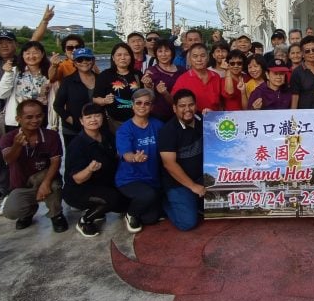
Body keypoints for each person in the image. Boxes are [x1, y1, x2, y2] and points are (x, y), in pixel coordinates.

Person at [0, 1, 53, 203]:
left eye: (8, 42)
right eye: (0, 42)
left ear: (16, 46)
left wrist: (44, 21)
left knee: (21, 152)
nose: (4, 45)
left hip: (18, 113)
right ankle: (1, 187)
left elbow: (35, 41)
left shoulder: (20, 64)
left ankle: (18, 188)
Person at [0, 99, 67, 232]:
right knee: (11, 211)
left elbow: (56, 162)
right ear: (18, 118)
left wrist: (46, 183)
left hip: (43, 176)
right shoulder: (8, 138)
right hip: (21, 183)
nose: (35, 120)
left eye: (39, 116)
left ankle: (56, 214)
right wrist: (17, 146)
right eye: (29, 117)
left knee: (54, 184)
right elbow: (9, 159)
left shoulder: (51, 136)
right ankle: (27, 213)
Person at [62, 103, 126, 237]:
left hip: (102, 184)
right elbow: (77, 179)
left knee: (126, 201)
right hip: (78, 190)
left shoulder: (107, 136)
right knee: (112, 199)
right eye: (88, 117)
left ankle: (98, 209)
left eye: (97, 115)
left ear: (103, 117)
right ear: (81, 120)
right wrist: (89, 169)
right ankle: (85, 220)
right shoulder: (77, 145)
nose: (93, 120)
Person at [115, 88, 165, 233]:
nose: (142, 106)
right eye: (138, 103)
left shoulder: (158, 125)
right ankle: (131, 214)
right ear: (132, 105)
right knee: (148, 195)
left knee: (151, 219)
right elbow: (126, 155)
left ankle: (140, 204)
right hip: (130, 179)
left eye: (147, 103)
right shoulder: (124, 129)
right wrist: (134, 157)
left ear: (152, 106)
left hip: (152, 178)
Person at [159, 89, 206, 230]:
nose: (187, 109)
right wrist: (193, 186)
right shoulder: (168, 131)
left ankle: (195, 201)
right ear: (174, 108)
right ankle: (165, 201)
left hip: (202, 177)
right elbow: (169, 164)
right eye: (182, 106)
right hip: (178, 182)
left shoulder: (203, 120)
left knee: (223, 206)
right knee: (187, 223)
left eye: (191, 105)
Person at [93, 43, 142, 132]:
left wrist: (149, 85)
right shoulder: (105, 75)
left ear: (131, 57)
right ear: (113, 58)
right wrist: (104, 101)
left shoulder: (137, 74)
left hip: (137, 121)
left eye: (126, 54)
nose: (123, 58)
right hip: (115, 123)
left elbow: (144, 95)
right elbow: (95, 99)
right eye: (119, 55)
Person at [54, 47, 98, 143]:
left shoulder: (101, 79)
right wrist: (72, 121)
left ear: (93, 60)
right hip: (73, 131)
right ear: (74, 63)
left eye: (87, 59)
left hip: (98, 129)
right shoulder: (67, 81)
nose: (84, 62)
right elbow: (57, 105)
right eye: (79, 59)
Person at [172, 43, 223, 113]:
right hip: (192, 120)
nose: (199, 59)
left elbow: (221, 103)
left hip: (214, 119)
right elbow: (175, 103)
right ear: (190, 59)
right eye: (195, 56)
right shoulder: (182, 79)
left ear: (208, 58)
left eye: (202, 56)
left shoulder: (216, 77)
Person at [141, 39, 183, 122]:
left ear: (172, 52)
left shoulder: (182, 71)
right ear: (156, 53)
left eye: (167, 51)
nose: (163, 54)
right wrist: (147, 86)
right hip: (158, 116)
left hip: (180, 114)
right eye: (160, 51)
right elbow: (148, 97)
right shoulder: (151, 71)